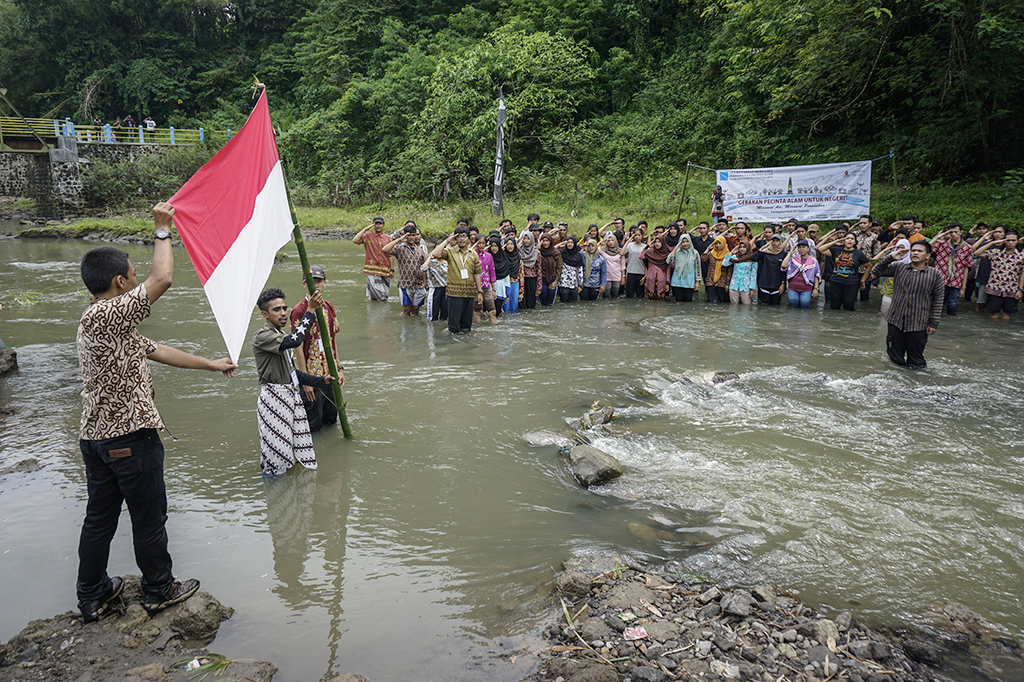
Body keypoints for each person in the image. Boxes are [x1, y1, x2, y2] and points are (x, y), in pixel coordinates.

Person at [75, 203, 236, 624]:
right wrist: (163, 230)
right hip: (129, 437)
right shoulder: (108, 313)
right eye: (130, 274)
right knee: (149, 516)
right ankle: (159, 589)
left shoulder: (104, 322)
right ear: (118, 281)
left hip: (96, 438)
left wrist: (212, 364)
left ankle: (93, 596)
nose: (135, 279)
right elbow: (162, 278)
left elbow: (159, 350)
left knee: (99, 519)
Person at [254, 287, 336, 475]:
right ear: (264, 314)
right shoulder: (263, 336)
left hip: (290, 395)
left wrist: (321, 381)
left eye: (284, 308)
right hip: (274, 399)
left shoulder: (280, 336)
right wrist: (311, 310)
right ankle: (275, 493)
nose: (283, 313)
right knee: (276, 457)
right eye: (277, 310)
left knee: (297, 450)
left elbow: (293, 373)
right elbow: (296, 339)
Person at [870, 241, 944, 368]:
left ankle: (916, 384)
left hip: (918, 324)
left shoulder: (935, 274)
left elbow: (938, 300)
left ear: (927, 256)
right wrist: (891, 257)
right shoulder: (899, 268)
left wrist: (934, 323)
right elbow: (875, 271)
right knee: (894, 358)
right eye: (913, 250)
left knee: (916, 361)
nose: (915, 253)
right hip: (895, 321)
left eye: (920, 251)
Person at [289, 266, 344, 433]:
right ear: (304, 284)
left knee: (331, 418)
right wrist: (305, 380)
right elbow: (297, 347)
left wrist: (339, 368)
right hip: (312, 376)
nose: (316, 285)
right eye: (312, 282)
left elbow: (333, 341)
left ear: (325, 283)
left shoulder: (328, 307)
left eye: (319, 281)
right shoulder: (299, 310)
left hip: (330, 372)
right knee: (313, 422)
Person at [429, 227, 484, 333]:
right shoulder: (450, 251)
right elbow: (435, 254)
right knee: (454, 326)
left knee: (467, 326)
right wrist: (447, 241)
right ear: (455, 238)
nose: (462, 239)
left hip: (470, 293)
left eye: (464, 236)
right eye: (459, 236)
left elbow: (477, 273)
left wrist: (480, 292)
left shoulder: (473, 254)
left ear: (468, 238)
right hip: (454, 294)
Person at [974, 230, 1024, 320]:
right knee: (993, 315)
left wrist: (1020, 289)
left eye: (1013, 240)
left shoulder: (1021, 256)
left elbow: (1022, 273)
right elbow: (977, 253)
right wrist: (992, 242)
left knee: (1007, 316)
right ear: (1004, 241)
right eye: (1008, 240)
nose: (1011, 243)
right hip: (995, 288)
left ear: (1017, 241)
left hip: (1012, 289)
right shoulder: (996, 253)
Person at [929, 222, 974, 316]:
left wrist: (963, 287)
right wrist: (937, 238)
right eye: (951, 232)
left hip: (956, 281)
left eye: (956, 232)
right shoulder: (941, 245)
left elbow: (966, 267)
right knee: (935, 303)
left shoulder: (968, 248)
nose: (953, 234)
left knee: (952, 304)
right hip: (939, 279)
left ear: (961, 232)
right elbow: (926, 249)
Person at [382, 225, 428, 316]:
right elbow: (385, 249)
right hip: (405, 285)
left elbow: (424, 268)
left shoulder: (420, 250)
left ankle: (415, 328)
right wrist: (399, 239)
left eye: (414, 235)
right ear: (405, 236)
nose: (412, 238)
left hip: (419, 284)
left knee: (416, 310)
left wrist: (426, 282)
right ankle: (406, 329)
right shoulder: (400, 249)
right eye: (409, 235)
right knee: (406, 310)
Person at [817, 232, 870, 311]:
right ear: (844, 240)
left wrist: (862, 280)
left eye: (852, 239)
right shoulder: (836, 250)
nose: (849, 240)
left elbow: (868, 266)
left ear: (855, 242)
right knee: (834, 307)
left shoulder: (858, 253)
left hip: (851, 283)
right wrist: (835, 242)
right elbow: (820, 248)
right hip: (835, 282)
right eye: (847, 238)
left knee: (849, 307)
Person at [353, 217, 393, 301]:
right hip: (372, 269)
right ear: (373, 225)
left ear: (383, 225)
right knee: (374, 296)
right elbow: (355, 240)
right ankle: (374, 312)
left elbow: (390, 255)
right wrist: (365, 229)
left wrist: (392, 269)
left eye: (380, 224)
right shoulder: (367, 235)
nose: (378, 226)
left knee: (384, 296)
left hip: (385, 269)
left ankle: (383, 313)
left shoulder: (388, 238)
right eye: (376, 224)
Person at [782, 240, 820, 308]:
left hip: (806, 288)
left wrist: (816, 288)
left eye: (803, 247)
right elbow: (784, 265)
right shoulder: (793, 259)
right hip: (793, 287)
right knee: (793, 307)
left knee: (804, 306)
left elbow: (816, 275)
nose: (801, 249)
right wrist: (790, 253)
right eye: (799, 247)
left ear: (808, 248)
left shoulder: (814, 261)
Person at [752, 233, 786, 305]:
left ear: (780, 242)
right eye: (773, 241)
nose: (775, 243)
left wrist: (783, 284)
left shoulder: (783, 254)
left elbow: (784, 270)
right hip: (764, 283)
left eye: (777, 241)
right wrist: (762, 248)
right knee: (764, 308)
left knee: (775, 307)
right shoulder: (764, 253)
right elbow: (753, 258)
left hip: (777, 285)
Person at [854, 215, 881, 300]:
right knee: (851, 294)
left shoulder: (875, 238)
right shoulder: (854, 235)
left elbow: (877, 256)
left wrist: (875, 272)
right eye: (860, 223)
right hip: (853, 269)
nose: (862, 225)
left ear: (870, 224)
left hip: (867, 270)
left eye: (864, 223)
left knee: (864, 295)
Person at [473, 234, 498, 323]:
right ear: (475, 243)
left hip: (487, 286)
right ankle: (477, 330)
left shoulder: (489, 256)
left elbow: (492, 272)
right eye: (479, 243)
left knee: (492, 311)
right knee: (478, 311)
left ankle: (494, 330)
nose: (481, 245)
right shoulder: (472, 255)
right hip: (475, 287)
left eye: (483, 243)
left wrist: (493, 289)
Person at [667, 233, 699, 301]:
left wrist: (697, 282)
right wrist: (675, 249)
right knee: (678, 302)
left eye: (687, 241)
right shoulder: (677, 252)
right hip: (677, 282)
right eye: (683, 242)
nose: (685, 244)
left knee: (688, 302)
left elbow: (697, 268)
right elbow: (668, 261)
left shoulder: (695, 253)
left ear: (690, 242)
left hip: (689, 282)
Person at [702, 235, 732, 303]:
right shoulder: (712, 253)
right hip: (711, 281)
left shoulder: (728, 255)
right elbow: (703, 259)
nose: (718, 245)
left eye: (720, 243)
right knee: (710, 302)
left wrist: (727, 283)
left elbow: (729, 271)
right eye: (716, 243)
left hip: (722, 282)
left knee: (720, 302)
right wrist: (708, 248)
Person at [641, 235, 671, 300]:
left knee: (661, 303)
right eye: (656, 242)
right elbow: (641, 256)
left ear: (662, 243)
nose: (657, 244)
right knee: (650, 304)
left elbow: (668, 269)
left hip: (662, 281)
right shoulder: (650, 252)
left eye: (659, 242)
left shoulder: (666, 254)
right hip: (650, 280)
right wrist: (647, 246)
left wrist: (667, 282)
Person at [556, 235, 585, 302]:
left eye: (572, 242)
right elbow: (552, 250)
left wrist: (580, 285)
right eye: (568, 242)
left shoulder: (578, 256)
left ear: (574, 244)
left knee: (573, 304)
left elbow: (580, 270)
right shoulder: (561, 253)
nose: (570, 244)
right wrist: (559, 244)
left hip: (574, 284)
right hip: (563, 283)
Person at [422, 251, 448, 321]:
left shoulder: (447, 262)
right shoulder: (431, 262)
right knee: (433, 314)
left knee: (445, 314)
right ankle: (432, 329)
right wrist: (430, 257)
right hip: (435, 289)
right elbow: (423, 268)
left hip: (446, 289)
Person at [597, 233, 624, 299]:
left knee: (615, 296)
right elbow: (593, 249)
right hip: (606, 276)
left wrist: (623, 277)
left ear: (615, 241)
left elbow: (622, 265)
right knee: (606, 296)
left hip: (617, 276)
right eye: (608, 241)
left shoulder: (620, 251)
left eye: (612, 240)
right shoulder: (603, 250)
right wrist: (601, 242)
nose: (610, 242)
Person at [519, 230, 541, 309]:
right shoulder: (519, 251)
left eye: (528, 239)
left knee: (531, 304)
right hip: (521, 281)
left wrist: (539, 287)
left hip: (532, 280)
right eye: (524, 238)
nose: (526, 241)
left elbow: (539, 270)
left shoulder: (536, 253)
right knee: (521, 304)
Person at [538, 234, 562, 306]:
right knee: (543, 293)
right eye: (544, 241)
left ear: (550, 242)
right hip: (542, 278)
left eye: (547, 241)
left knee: (551, 298)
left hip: (553, 278)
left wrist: (556, 281)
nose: (545, 243)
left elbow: (559, 267)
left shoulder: (556, 253)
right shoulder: (538, 253)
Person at [500, 236, 523, 312]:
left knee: (514, 306)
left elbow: (521, 275)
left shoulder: (518, 258)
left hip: (515, 284)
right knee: (505, 306)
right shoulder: (502, 258)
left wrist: (521, 292)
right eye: (508, 244)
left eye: (512, 244)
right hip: (504, 284)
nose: (510, 246)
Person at [623, 231, 647, 299]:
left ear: (642, 236)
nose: (637, 237)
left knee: (640, 296)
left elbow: (646, 263)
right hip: (631, 272)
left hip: (641, 273)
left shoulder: (645, 247)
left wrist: (645, 275)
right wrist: (627, 242)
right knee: (629, 296)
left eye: (639, 235)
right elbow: (622, 253)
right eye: (635, 235)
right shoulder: (630, 245)